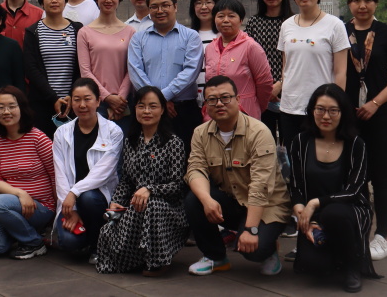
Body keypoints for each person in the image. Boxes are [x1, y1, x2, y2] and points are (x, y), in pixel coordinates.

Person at [184, 75, 291, 277]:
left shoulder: (258, 132)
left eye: (225, 98)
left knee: (254, 251)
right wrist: (207, 200)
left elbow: (261, 185)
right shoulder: (200, 133)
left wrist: (251, 230)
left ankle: (269, 248)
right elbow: (195, 169)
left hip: (267, 205)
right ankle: (215, 257)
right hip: (234, 200)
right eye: (212, 100)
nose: (219, 104)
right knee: (194, 200)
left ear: (238, 99)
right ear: (205, 105)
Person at [289, 84, 379, 292]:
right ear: (312, 111)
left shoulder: (356, 144)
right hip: (313, 214)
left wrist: (315, 203)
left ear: (343, 113)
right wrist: (302, 213)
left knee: (333, 213)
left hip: (349, 210)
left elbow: (354, 190)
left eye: (333, 111)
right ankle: (335, 254)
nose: (326, 116)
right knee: (313, 267)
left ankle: (352, 266)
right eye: (320, 109)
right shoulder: (301, 141)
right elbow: (295, 185)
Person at [343, 0, 387, 261]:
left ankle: (382, 235)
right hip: (349, 117)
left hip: (381, 115)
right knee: (354, 176)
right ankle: (359, 229)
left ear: (376, 3)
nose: (362, 5)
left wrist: (375, 103)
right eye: (356, 0)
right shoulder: (341, 32)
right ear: (349, 3)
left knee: (381, 175)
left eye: (368, 0)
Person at [95, 86, 188, 276]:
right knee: (111, 231)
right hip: (137, 205)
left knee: (152, 205)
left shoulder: (173, 143)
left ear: (162, 110)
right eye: (141, 106)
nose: (146, 111)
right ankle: (138, 258)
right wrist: (116, 202)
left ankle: (158, 261)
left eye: (153, 106)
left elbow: (178, 185)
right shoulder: (131, 142)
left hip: (167, 208)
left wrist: (150, 189)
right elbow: (127, 181)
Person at [275, 0, 350, 147]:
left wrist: (336, 105)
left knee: (319, 158)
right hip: (290, 107)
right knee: (294, 159)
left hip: (321, 109)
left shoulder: (335, 25)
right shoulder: (286, 25)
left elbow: (340, 72)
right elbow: (286, 66)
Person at [0, 86, 55, 260]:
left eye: (11, 106)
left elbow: (55, 175)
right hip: (10, 205)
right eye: (1, 107)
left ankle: (32, 242)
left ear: (22, 108)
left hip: (40, 207)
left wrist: (58, 212)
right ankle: (30, 237)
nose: (6, 112)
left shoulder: (38, 138)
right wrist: (21, 194)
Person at [52, 78, 122, 260]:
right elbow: (60, 174)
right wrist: (72, 210)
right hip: (70, 202)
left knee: (88, 197)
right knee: (69, 242)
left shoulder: (113, 131)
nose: (82, 105)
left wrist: (75, 192)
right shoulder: (61, 133)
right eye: (77, 100)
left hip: (97, 198)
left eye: (87, 99)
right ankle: (87, 238)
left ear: (98, 101)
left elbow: (104, 171)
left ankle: (98, 245)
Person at [127, 0, 203, 148]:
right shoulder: (138, 39)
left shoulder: (191, 36)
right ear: (149, 10)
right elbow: (135, 71)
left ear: (175, 7)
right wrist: (156, 102)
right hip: (147, 111)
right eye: (154, 7)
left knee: (186, 155)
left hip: (182, 110)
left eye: (165, 5)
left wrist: (161, 98)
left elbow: (191, 71)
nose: (160, 10)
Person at [24, 0, 82, 138]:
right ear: (41, 2)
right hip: (42, 102)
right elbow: (31, 69)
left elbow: (81, 66)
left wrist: (72, 94)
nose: (54, 1)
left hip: (73, 102)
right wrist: (53, 98)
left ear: (65, 0)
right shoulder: (33, 32)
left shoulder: (77, 29)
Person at [78, 0, 135, 125]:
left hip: (124, 103)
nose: (108, 0)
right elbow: (85, 71)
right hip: (96, 101)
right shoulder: (84, 33)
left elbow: (131, 69)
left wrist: (120, 98)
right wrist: (108, 97)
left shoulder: (130, 32)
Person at [204, 0, 273, 120]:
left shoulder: (250, 47)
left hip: (245, 112)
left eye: (231, 16)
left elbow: (265, 83)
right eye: (220, 16)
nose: (226, 20)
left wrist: (256, 106)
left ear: (241, 20)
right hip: (216, 113)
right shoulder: (210, 48)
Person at [244, 0, 293, 138]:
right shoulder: (254, 23)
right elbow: (247, 58)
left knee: (289, 141)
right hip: (260, 94)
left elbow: (297, 59)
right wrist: (265, 89)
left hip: (290, 91)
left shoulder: (293, 23)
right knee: (264, 140)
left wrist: (280, 84)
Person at [189, 0, 221, 105]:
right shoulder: (188, 36)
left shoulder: (223, 35)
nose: (203, 7)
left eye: (208, 2)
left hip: (219, 100)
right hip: (193, 100)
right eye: (198, 3)